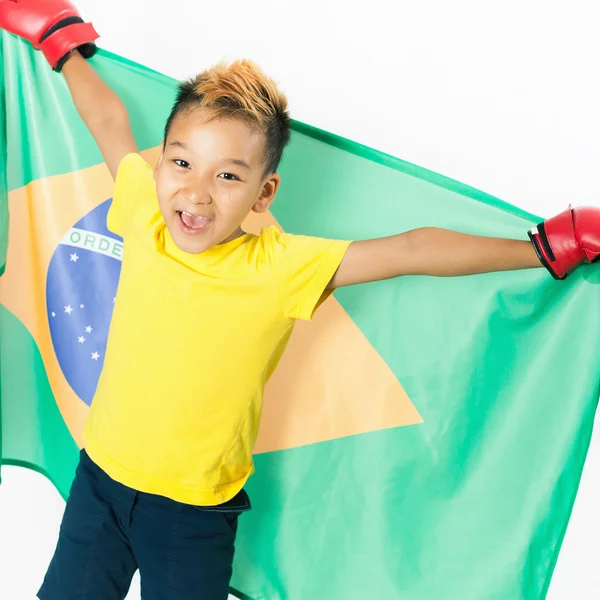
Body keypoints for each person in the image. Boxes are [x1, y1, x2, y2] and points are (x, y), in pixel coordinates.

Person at [2, 2, 600, 599]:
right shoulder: (141, 210)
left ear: (265, 194)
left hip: (191, 518)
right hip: (100, 484)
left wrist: (542, 248)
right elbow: (108, 121)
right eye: (181, 162)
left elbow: (411, 250)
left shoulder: (281, 268)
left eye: (228, 176)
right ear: (161, 163)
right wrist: (62, 45)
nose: (196, 192)